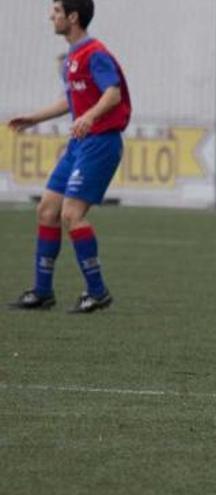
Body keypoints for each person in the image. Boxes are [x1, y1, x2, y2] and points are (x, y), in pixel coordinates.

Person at [8, 0, 131, 313]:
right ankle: (42, 291)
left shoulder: (95, 53)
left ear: (73, 17)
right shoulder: (72, 58)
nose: (52, 16)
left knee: (71, 214)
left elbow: (112, 93)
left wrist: (89, 117)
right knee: (48, 210)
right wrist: (35, 118)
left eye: (57, 11)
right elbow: (70, 99)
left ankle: (97, 291)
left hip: (100, 142)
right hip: (79, 144)